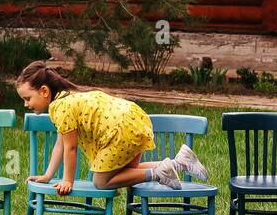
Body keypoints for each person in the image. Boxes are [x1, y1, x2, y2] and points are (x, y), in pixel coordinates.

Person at [14, 59, 207, 194]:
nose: (26, 104)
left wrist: (67, 181)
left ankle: (158, 173)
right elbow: (61, 144)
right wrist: (48, 176)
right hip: (134, 121)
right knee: (125, 172)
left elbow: (71, 148)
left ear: (44, 91)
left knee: (101, 182)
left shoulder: (60, 107)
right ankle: (179, 163)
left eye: (27, 98)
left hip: (119, 132)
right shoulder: (68, 99)